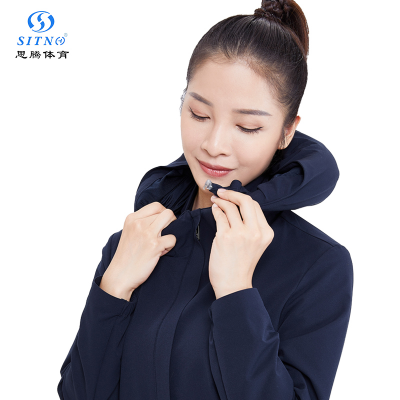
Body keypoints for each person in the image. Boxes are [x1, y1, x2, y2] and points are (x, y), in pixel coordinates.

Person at [57, 1, 353, 399]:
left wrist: (236, 291)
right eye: (199, 114)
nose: (214, 145)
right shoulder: (133, 242)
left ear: (287, 132)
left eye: (247, 126)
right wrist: (114, 287)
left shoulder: (318, 265)